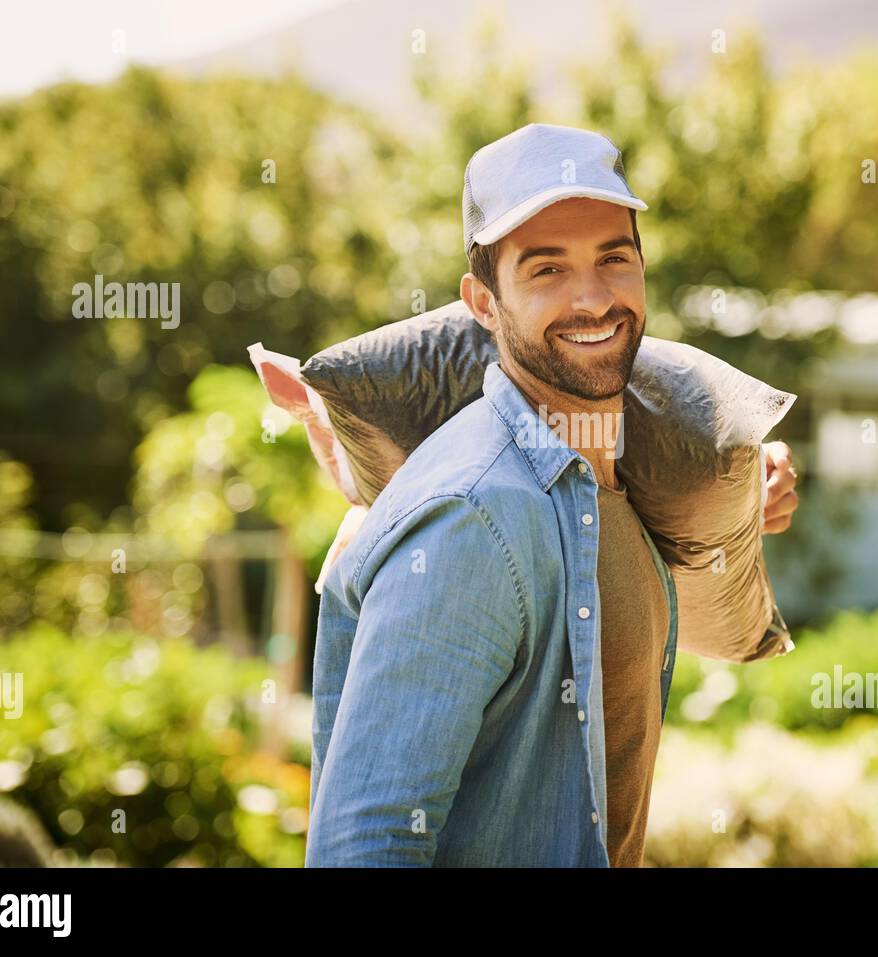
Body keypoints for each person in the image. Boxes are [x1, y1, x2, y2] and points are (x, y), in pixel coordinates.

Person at [305, 123, 799, 867]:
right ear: (482, 301)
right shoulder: (476, 520)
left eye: (614, 259)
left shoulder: (610, 487)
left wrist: (735, 507)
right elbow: (364, 846)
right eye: (546, 270)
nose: (594, 299)